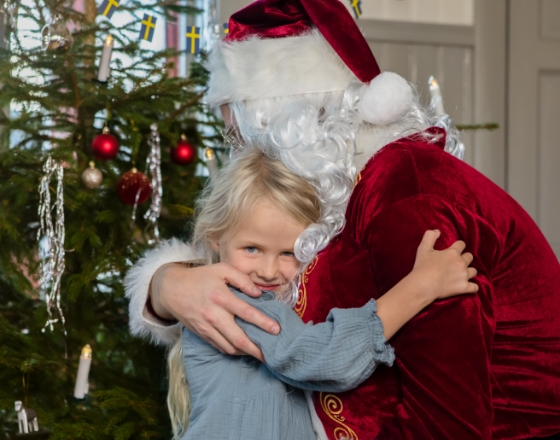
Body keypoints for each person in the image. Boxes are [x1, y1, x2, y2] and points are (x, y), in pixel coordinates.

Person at [125, 0, 560, 438]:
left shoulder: (406, 194)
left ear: (289, 128)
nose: (240, 156)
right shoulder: (339, 186)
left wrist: (417, 288)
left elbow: (448, 424)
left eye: (243, 137)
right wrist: (165, 285)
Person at [165, 148, 477, 440]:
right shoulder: (231, 301)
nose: (269, 271)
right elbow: (321, 358)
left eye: (289, 252)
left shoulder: (287, 302)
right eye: (252, 248)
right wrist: (420, 286)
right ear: (216, 239)